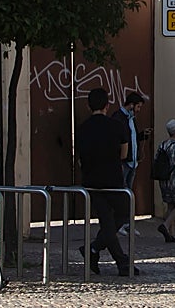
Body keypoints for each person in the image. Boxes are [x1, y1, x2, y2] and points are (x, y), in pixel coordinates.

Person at [77, 88, 136, 275]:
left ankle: (96, 251)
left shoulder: (83, 128)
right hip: (113, 179)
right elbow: (124, 154)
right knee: (123, 215)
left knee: (107, 221)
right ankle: (113, 258)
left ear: (89, 106)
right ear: (107, 105)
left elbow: (79, 156)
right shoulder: (116, 126)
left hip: (91, 180)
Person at [112, 91, 152, 192]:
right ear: (131, 105)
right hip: (124, 163)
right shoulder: (118, 118)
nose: (139, 110)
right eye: (138, 107)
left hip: (133, 162)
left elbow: (133, 137)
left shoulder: (131, 119)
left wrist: (142, 135)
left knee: (129, 191)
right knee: (122, 191)